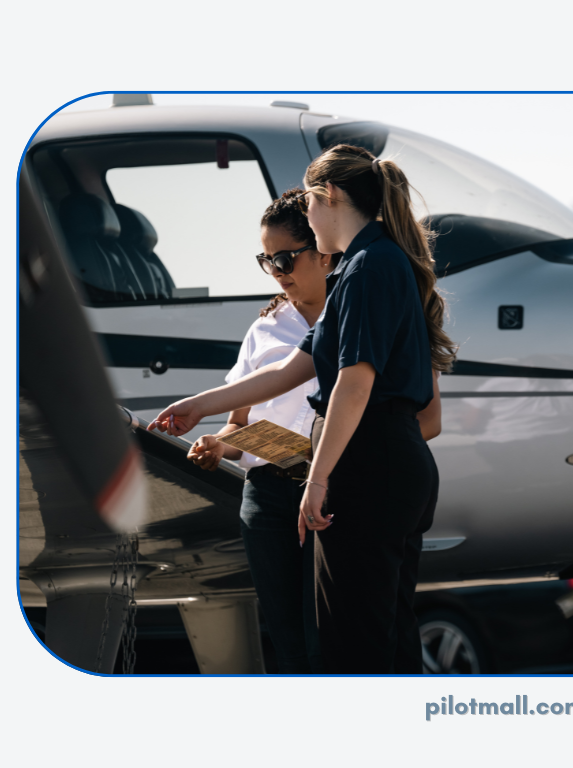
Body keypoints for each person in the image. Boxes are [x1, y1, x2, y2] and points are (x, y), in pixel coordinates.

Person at [150, 145, 456, 674]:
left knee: (351, 649)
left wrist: (315, 479)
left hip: (367, 465)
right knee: (383, 639)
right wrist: (196, 406)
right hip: (384, 464)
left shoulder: (366, 267)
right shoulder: (366, 267)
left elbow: (354, 384)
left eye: (309, 208)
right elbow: (291, 370)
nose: (309, 222)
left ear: (329, 197)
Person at [185, 189, 331, 674]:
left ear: (324, 249)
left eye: (286, 257)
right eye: (268, 261)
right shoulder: (264, 328)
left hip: (335, 489)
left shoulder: (356, 316)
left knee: (333, 636)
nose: (278, 271)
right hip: (268, 498)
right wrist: (219, 444)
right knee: (289, 642)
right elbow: (240, 423)